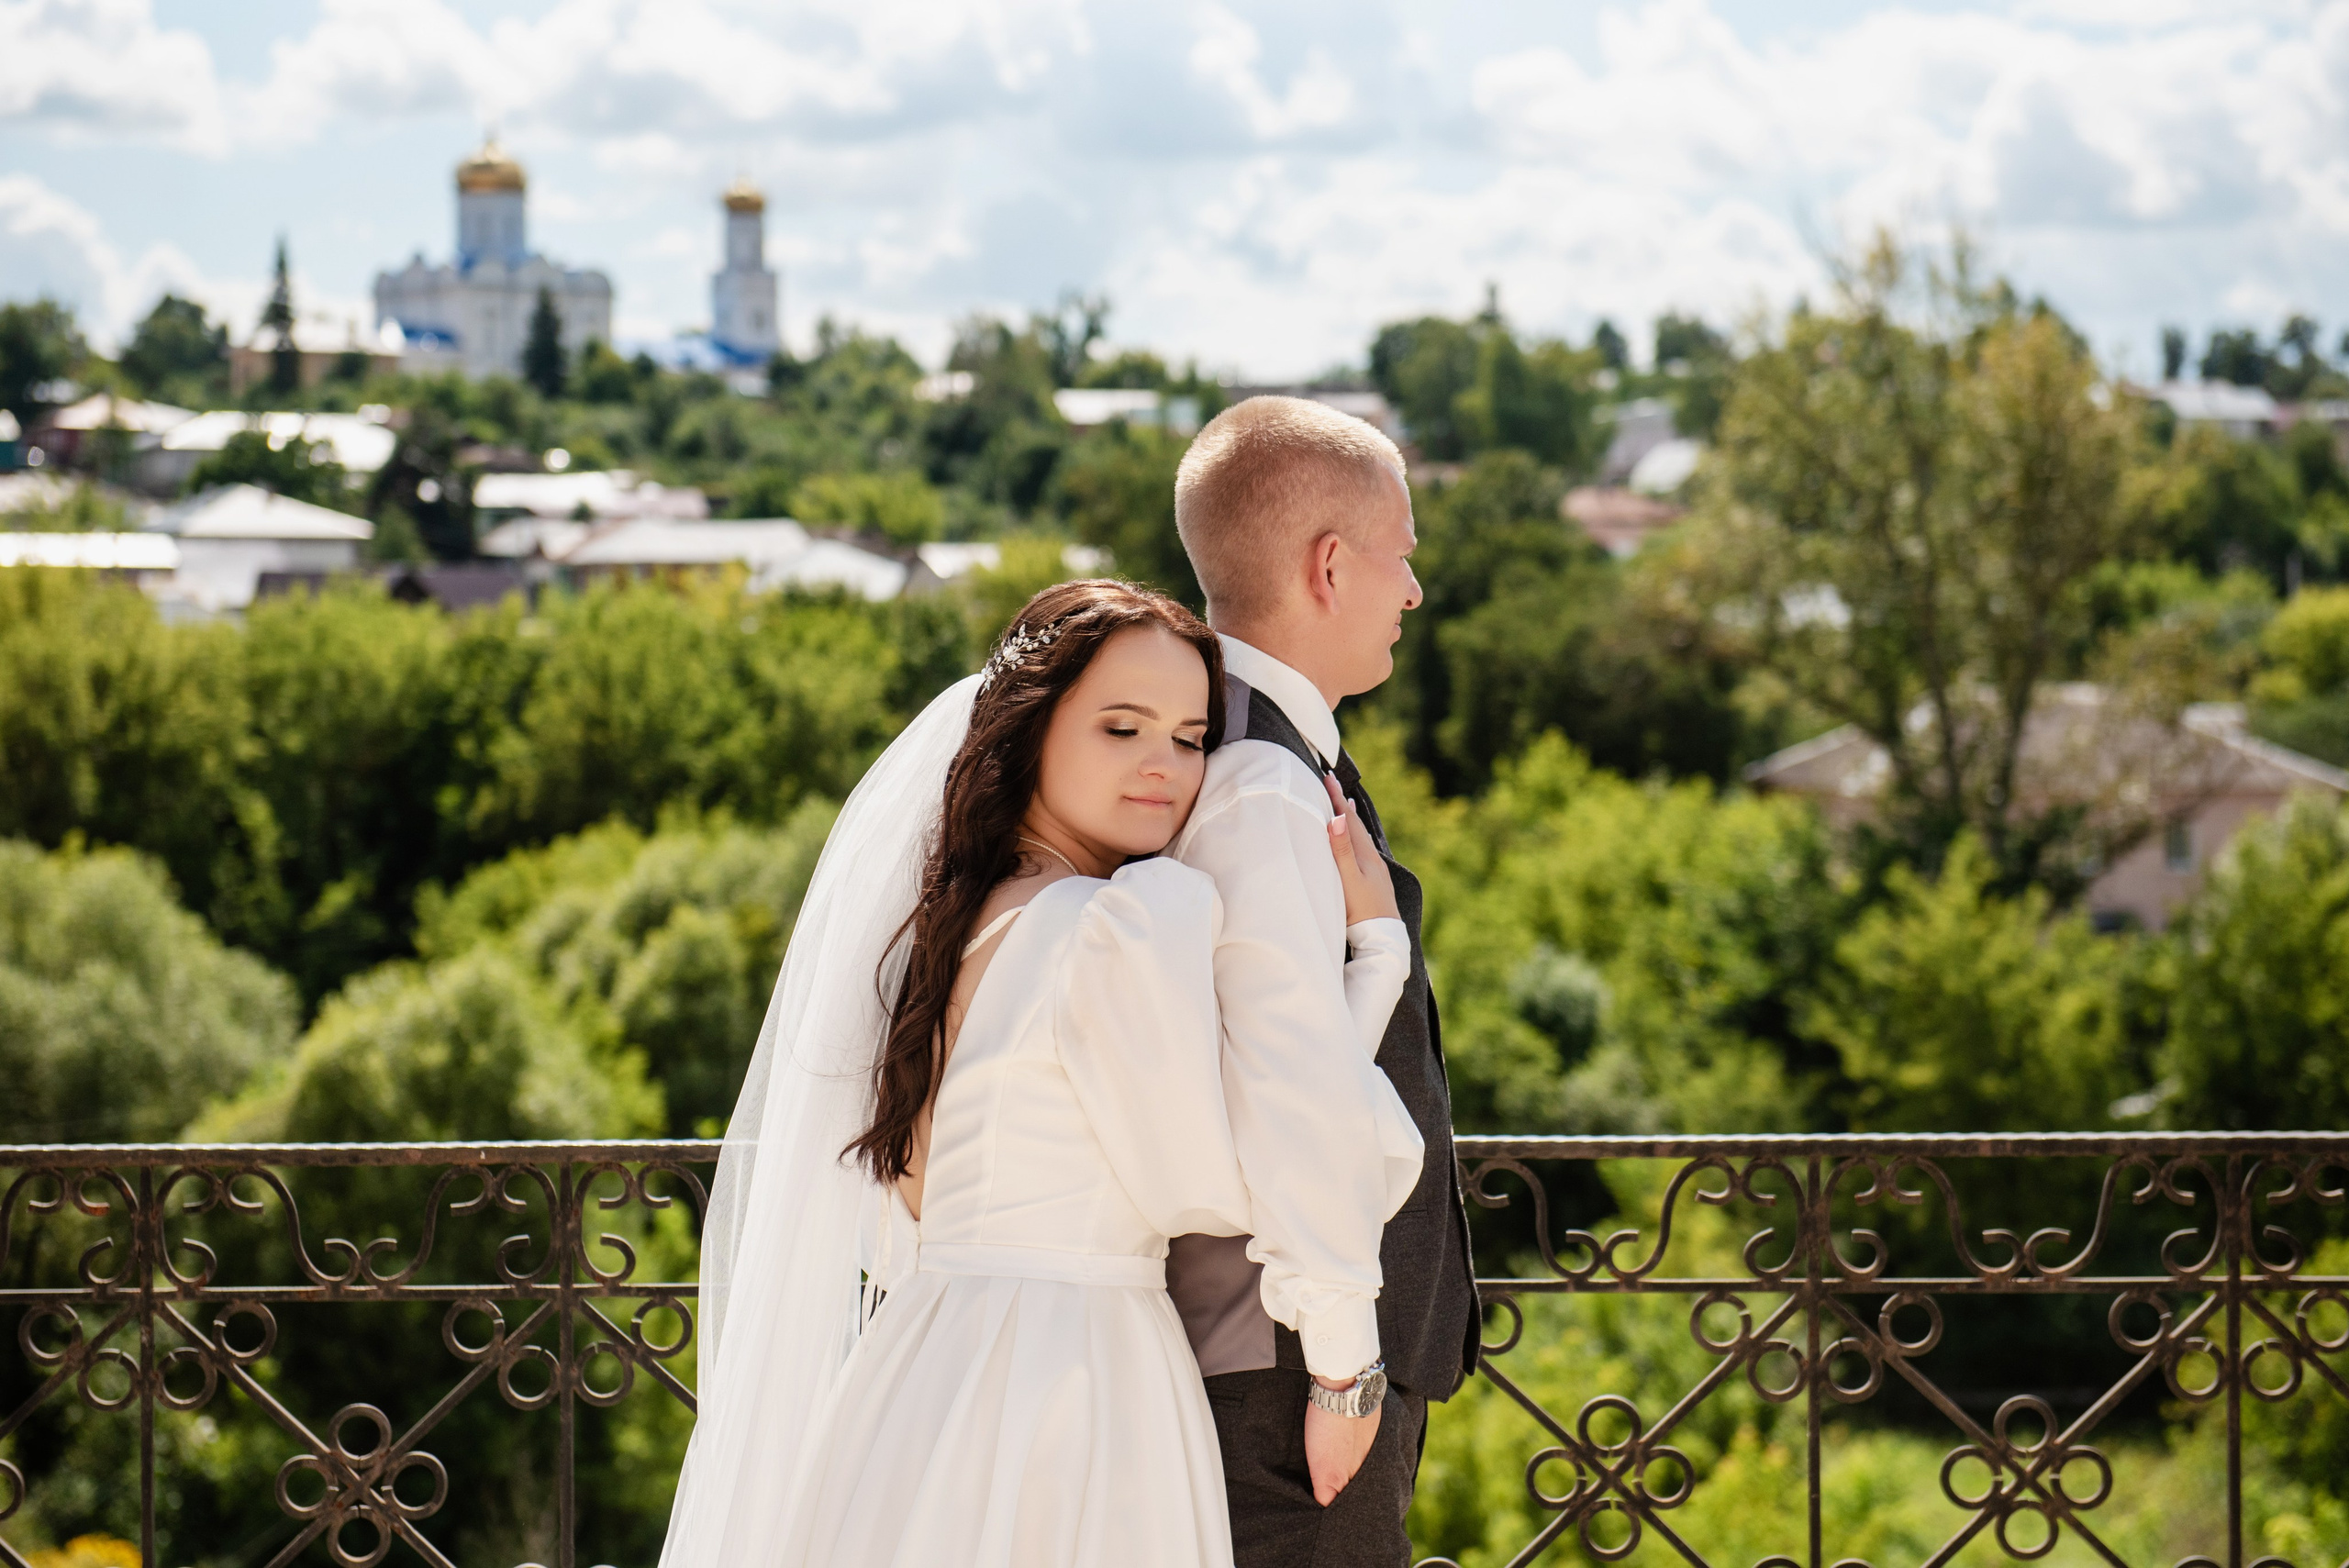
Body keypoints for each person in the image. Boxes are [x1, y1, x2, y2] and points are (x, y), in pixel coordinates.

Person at [657, 579, 1425, 1568]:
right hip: (1076, 1375)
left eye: (1190, 736)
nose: (1164, 766)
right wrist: (1373, 962)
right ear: (1028, 732)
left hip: (918, 1371)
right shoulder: (1113, 927)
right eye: (1121, 726)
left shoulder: (947, 930)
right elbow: (1217, 1183)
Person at [1163, 395, 1484, 1567]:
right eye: (1400, 556)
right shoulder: (1258, 777)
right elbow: (1291, 1091)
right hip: (1290, 1363)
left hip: (1287, 1352)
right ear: (1330, 564)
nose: (1411, 590)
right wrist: (1346, 1369)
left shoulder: (1239, 741)